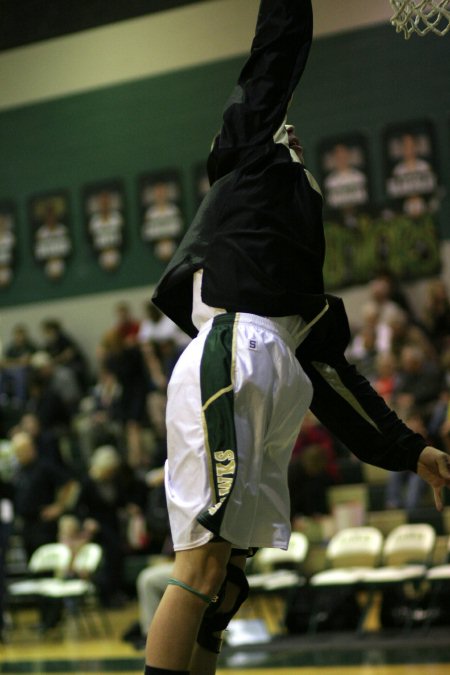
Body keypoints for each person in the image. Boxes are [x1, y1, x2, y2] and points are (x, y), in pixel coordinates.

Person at [146, 3, 450, 674]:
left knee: (223, 584)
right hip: (231, 357)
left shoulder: (292, 261)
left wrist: (412, 451)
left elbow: (333, 379)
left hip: (274, 369)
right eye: (286, 129)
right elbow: (276, 50)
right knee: (199, 568)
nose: (296, 135)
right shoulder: (249, 159)